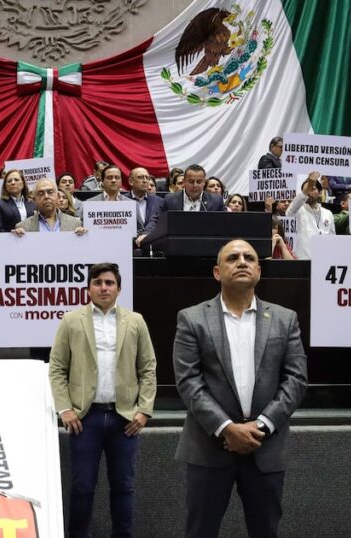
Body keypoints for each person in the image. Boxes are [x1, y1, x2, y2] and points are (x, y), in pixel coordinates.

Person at [173, 239, 308, 538]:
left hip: (265, 447)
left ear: (259, 271)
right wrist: (227, 428)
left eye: (249, 257)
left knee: (265, 532)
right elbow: (188, 381)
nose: (242, 262)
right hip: (209, 448)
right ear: (217, 272)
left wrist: (261, 426)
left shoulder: (285, 319)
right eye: (233, 258)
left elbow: (296, 379)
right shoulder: (192, 318)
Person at [49, 262, 157, 538]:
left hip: (125, 419)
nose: (104, 288)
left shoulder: (136, 321)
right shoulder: (71, 321)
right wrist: (65, 408)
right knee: (82, 487)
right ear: (88, 289)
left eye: (109, 283)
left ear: (119, 288)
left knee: (123, 486)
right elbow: (57, 368)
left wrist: (144, 410)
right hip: (85, 418)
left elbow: (148, 368)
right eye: (97, 283)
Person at [286, 173, 334, 259]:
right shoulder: (299, 210)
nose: (309, 192)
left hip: (324, 260)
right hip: (304, 260)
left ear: (320, 192)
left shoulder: (328, 213)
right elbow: (289, 212)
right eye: (306, 190)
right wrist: (309, 185)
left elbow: (333, 239)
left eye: (312, 189)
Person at [13, 179, 86, 235]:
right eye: (41, 193)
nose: (46, 196)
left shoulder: (75, 224)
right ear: (34, 200)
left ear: (57, 196)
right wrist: (16, 240)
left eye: (50, 192)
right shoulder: (23, 227)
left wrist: (84, 238)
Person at [127, 167, 165, 247]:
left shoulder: (160, 202)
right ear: (131, 181)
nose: (145, 180)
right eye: (140, 177)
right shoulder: (121, 201)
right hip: (128, 246)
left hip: (154, 246)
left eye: (147, 178)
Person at [0, 169, 36, 233]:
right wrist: (12, 233)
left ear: (23, 183)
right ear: (5, 186)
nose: (13, 183)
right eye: (9, 181)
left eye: (16, 180)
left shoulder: (32, 203)